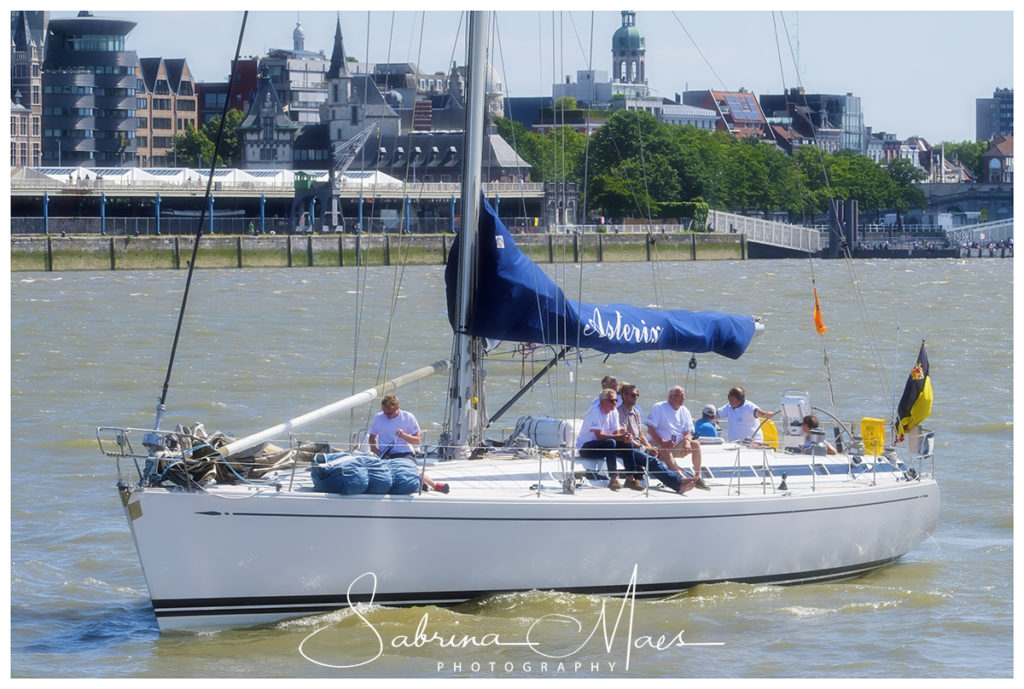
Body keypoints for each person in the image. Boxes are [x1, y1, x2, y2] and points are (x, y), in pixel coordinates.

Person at [617, 384, 692, 493]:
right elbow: (624, 436)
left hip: (637, 446)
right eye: (633, 395)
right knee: (652, 461)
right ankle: (679, 483)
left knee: (655, 458)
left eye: (637, 395)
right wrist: (645, 448)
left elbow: (641, 434)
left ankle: (680, 480)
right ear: (624, 396)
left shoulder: (635, 413)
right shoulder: (619, 412)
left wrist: (648, 446)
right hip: (626, 447)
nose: (636, 397)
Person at [368, 394, 449, 493]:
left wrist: (404, 436)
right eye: (384, 412)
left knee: (408, 469)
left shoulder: (407, 417)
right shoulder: (378, 417)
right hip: (386, 454)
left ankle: (433, 485)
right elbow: (372, 437)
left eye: (389, 413)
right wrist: (374, 449)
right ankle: (422, 483)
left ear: (397, 408)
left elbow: (417, 441)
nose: (387, 416)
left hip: (404, 453)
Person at [645, 386, 708, 490]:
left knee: (695, 444)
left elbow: (687, 432)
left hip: (676, 445)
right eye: (679, 396)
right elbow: (650, 429)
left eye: (684, 396)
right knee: (665, 449)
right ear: (670, 397)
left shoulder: (685, 411)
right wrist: (663, 442)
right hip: (657, 444)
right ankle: (682, 478)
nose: (682, 398)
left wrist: (687, 442)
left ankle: (698, 477)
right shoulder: (659, 407)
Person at [577, 388, 629, 490]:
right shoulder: (594, 412)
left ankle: (631, 478)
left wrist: (625, 438)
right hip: (586, 448)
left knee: (627, 444)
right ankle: (613, 478)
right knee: (611, 442)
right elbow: (599, 436)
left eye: (616, 400)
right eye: (611, 401)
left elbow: (616, 434)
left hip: (603, 445)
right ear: (602, 401)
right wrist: (619, 437)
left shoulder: (614, 412)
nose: (615, 403)